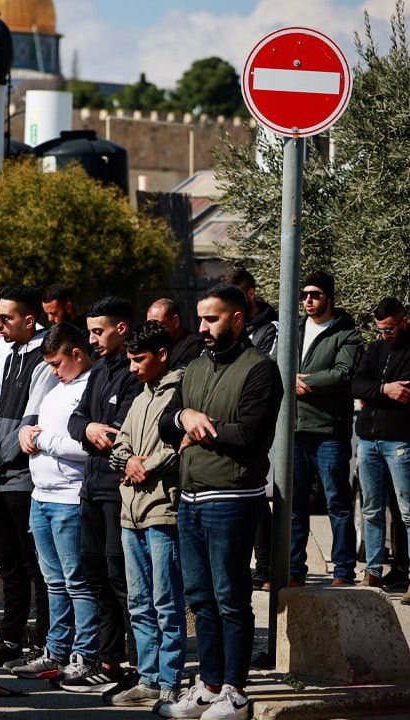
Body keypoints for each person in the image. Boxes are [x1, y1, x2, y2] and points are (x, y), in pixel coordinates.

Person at [158, 284, 282, 720]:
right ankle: (209, 686)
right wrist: (183, 418)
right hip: (190, 498)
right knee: (200, 597)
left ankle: (235, 691)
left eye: (212, 319)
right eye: (201, 318)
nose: (203, 327)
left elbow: (247, 434)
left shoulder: (260, 369)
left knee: (231, 597)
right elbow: (165, 421)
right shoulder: (194, 366)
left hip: (231, 499)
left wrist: (196, 430)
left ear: (237, 318)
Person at [11, 323, 99, 683]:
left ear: (77, 354)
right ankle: (56, 649)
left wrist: (45, 440)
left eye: (57, 363)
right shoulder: (55, 387)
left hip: (69, 498)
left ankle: (85, 652)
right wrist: (25, 435)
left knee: (76, 581)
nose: (53, 371)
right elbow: (37, 428)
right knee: (53, 581)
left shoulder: (91, 386)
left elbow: (87, 446)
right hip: (41, 495)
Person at [65, 296, 142, 692]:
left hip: (117, 492)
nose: (93, 338)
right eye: (91, 331)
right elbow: (76, 419)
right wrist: (89, 429)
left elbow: (121, 431)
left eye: (99, 331)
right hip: (90, 490)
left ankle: (139, 663)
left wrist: (97, 430)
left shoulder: (133, 372)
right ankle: (109, 661)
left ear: (122, 329)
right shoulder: (98, 372)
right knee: (93, 574)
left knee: (120, 577)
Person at [0, 285, 56, 668]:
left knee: (33, 564)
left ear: (29, 319)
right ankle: (10, 637)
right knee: (7, 562)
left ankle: (43, 640)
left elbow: (31, 423)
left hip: (23, 477)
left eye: (6, 318)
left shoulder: (43, 359)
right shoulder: (11, 356)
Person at [109, 321, 185, 708]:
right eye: (129, 359)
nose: (133, 367)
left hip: (162, 511)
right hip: (130, 513)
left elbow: (181, 444)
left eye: (139, 359)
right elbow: (117, 446)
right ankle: (149, 677)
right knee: (139, 602)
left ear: (161, 355)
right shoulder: (138, 399)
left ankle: (171, 679)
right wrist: (129, 461)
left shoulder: (182, 392)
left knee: (166, 601)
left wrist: (147, 466)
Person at [351, 298, 410, 603]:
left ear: (403, 321)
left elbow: (408, 391)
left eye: (389, 329)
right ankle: (373, 571)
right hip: (369, 440)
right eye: (380, 331)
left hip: (400, 440)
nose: (385, 336)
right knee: (371, 508)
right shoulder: (374, 349)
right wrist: (384, 389)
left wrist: (374, 392)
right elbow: (356, 384)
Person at [289, 272, 363, 586]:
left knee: (338, 503)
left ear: (329, 298)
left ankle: (344, 572)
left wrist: (304, 381)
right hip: (295, 429)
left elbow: (343, 373)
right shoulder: (294, 329)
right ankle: (294, 571)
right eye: (305, 294)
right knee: (294, 506)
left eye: (315, 294)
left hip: (329, 432)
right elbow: (275, 364)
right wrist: (289, 380)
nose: (308, 300)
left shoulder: (347, 333)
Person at [225, 268, 278, 590]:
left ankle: (268, 567)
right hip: (228, 422)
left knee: (258, 495)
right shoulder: (230, 330)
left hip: (258, 425)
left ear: (250, 295)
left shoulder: (270, 329)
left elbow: (260, 373)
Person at [225, 268, 278, 355]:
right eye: (229, 299)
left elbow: (264, 366)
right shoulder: (228, 326)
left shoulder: (271, 328)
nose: (233, 304)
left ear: (251, 294)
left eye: (237, 298)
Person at [146, 298, 203, 369]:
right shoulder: (155, 345)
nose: (152, 330)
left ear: (175, 321)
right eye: (149, 325)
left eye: (157, 325)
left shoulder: (193, 347)